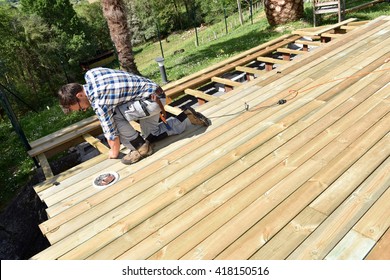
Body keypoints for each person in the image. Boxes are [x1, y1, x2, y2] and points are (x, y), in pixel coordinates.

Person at [58, 67, 211, 165]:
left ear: (79, 95)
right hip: (155, 95)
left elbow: (112, 136)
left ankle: (140, 147)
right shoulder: (91, 74)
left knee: (114, 116)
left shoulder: (99, 102)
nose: (83, 109)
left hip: (148, 102)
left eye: (80, 108)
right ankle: (187, 117)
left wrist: (113, 153)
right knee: (152, 135)